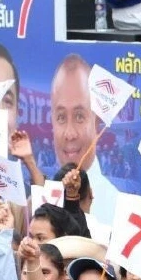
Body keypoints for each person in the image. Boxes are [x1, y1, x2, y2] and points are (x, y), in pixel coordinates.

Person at [49, 54, 118, 219]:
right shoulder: (41, 200)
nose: (69, 134)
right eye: (61, 117)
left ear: (96, 121)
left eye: (79, 116)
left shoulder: (115, 208)